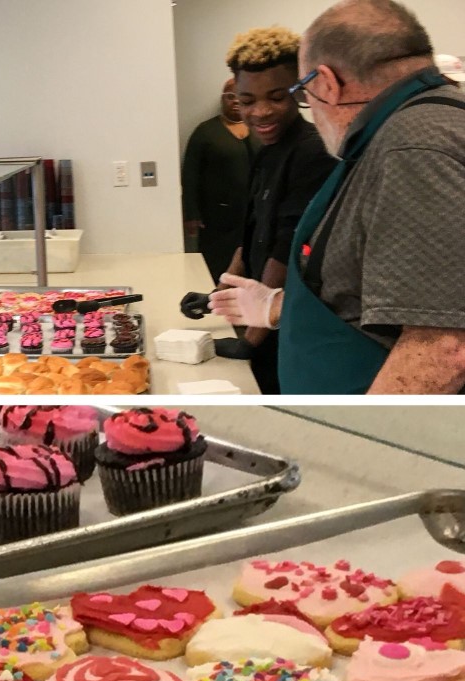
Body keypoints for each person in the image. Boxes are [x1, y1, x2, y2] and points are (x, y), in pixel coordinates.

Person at [208, 0, 465, 394]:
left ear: (326, 82)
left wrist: (360, 437)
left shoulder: (414, 147)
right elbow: (359, 299)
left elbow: (443, 349)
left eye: (301, 92)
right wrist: (275, 307)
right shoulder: (404, 129)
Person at [183, 26, 335, 394]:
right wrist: (218, 294)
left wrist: (250, 340)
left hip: (287, 328)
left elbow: (283, 253)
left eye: (277, 97)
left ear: (299, 90)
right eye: (247, 101)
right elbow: (251, 237)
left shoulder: (311, 151)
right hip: (263, 320)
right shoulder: (267, 150)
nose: (261, 112)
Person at [181, 78, 257, 282]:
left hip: (255, 215)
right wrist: (191, 214)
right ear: (222, 99)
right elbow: (190, 175)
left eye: (240, 96)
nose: (235, 101)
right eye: (230, 96)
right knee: (218, 269)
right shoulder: (206, 132)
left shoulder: (259, 129)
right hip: (216, 218)